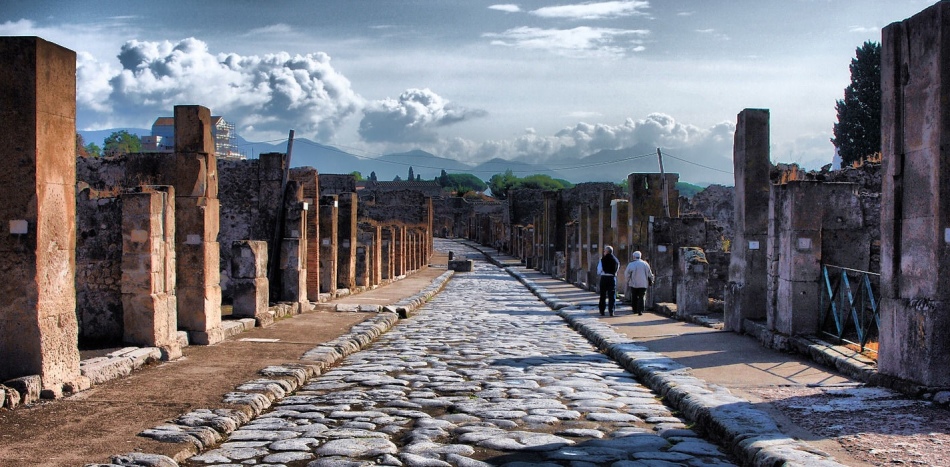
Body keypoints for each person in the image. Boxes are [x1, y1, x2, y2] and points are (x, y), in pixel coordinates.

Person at [624, 250, 654, 316]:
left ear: (634, 257)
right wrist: (651, 280)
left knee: (634, 296)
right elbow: (650, 274)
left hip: (634, 284)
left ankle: (635, 309)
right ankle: (640, 310)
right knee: (642, 296)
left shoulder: (631, 264)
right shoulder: (645, 264)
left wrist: (627, 281)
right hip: (643, 283)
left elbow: (627, 274)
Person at [596, 245, 620, 316]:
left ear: (606, 251)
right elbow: (617, 269)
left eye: (604, 251)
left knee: (602, 295)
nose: (604, 252)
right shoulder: (616, 260)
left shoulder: (602, 260)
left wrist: (601, 272)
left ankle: (602, 310)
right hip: (612, 278)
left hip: (604, 278)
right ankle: (611, 311)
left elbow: (599, 270)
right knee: (612, 295)